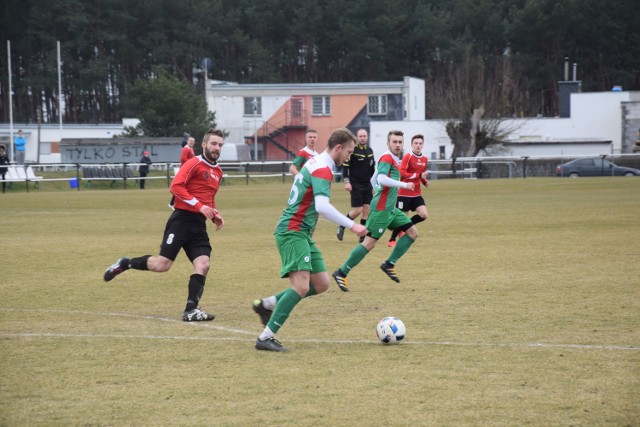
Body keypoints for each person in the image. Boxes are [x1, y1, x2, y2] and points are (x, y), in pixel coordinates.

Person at [252, 128, 367, 352]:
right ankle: (265, 337)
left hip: (301, 232)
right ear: (338, 148)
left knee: (321, 283)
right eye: (349, 152)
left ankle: (267, 305)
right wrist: (352, 225)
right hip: (293, 230)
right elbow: (321, 207)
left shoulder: (315, 162)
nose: (349, 157)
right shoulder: (322, 169)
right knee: (302, 286)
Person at [103, 129, 226, 322]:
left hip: (198, 225)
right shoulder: (194, 163)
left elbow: (208, 198)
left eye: (220, 145)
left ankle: (190, 310)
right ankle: (126, 263)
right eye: (214, 144)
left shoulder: (218, 172)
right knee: (162, 265)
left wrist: (214, 215)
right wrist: (199, 206)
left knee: (203, 264)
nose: (217, 148)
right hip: (181, 220)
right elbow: (176, 186)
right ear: (204, 145)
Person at [332, 130, 418, 291]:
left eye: (400, 142)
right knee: (369, 243)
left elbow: (373, 179)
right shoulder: (387, 158)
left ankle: (389, 263)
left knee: (412, 232)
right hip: (381, 209)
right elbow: (381, 179)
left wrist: (377, 190)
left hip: (390, 209)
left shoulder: (393, 159)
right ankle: (341, 272)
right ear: (388, 143)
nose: (398, 145)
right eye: (394, 142)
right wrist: (404, 185)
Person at [387, 134, 429, 247]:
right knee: (402, 219)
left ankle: (404, 228)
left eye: (420, 143)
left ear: (423, 145)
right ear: (411, 144)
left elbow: (421, 175)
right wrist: (419, 174)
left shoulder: (425, 159)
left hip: (416, 194)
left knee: (424, 215)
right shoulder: (408, 156)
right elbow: (402, 174)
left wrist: (425, 182)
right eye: (416, 143)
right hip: (404, 194)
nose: (418, 145)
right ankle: (392, 238)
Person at [336, 128, 375, 243]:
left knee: (367, 209)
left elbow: (372, 170)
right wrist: (347, 181)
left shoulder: (370, 151)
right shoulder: (352, 150)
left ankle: (362, 235)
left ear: (367, 137)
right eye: (360, 136)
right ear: (357, 138)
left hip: (367, 184)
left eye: (364, 136)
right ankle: (342, 224)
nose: (362, 138)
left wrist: (373, 185)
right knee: (358, 210)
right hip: (355, 184)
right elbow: (345, 167)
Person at [169, 136, 195, 207]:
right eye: (190, 141)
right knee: (180, 186)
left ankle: (178, 202)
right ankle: (172, 203)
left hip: (189, 170)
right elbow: (183, 158)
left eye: (193, 141)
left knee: (186, 186)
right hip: (185, 170)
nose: (192, 142)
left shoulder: (191, 149)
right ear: (187, 141)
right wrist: (191, 162)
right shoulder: (186, 148)